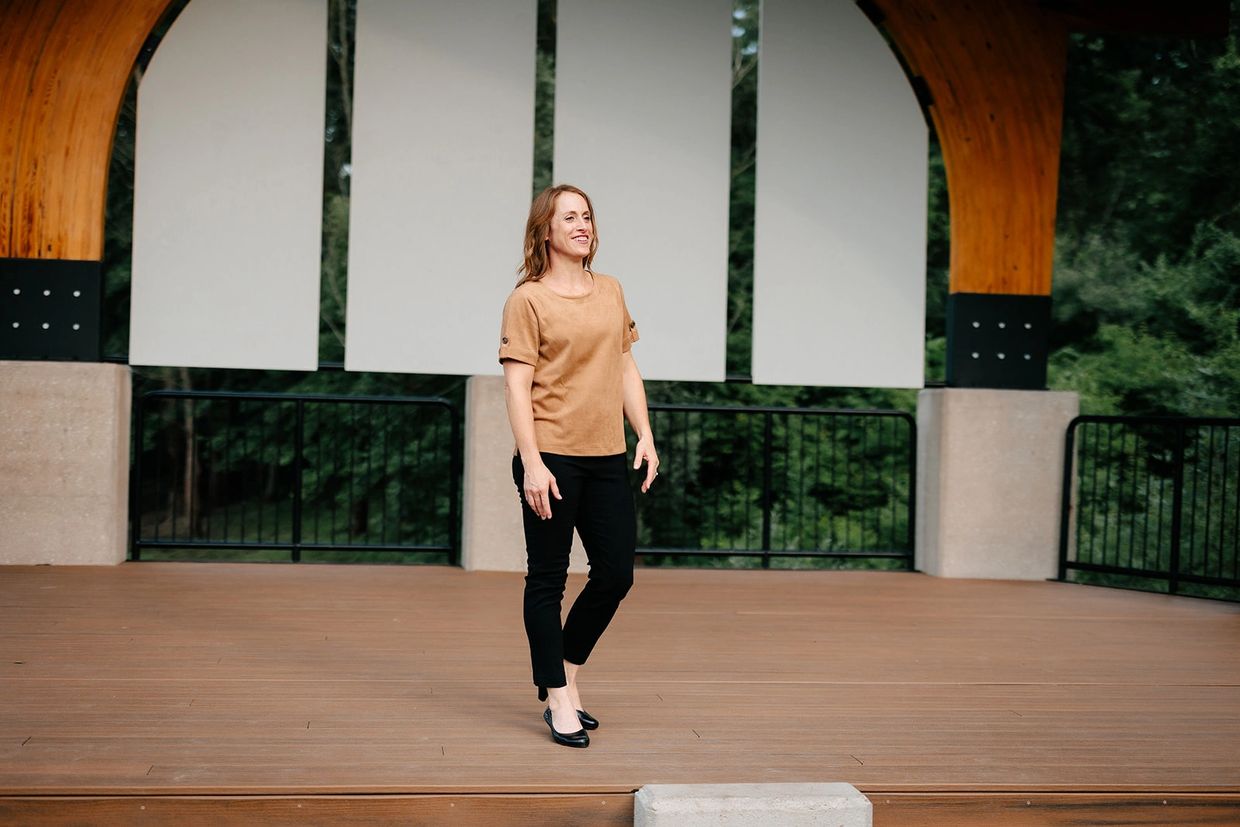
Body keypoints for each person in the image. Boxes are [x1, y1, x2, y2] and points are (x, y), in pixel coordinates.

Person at [498, 184, 658, 748]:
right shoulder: (528, 300)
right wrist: (533, 464)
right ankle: (559, 696)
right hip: (553, 460)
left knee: (616, 575)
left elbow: (625, 365)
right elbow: (517, 387)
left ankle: (564, 671)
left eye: (587, 216)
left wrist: (645, 434)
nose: (582, 225)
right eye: (569, 217)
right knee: (547, 579)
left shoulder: (610, 291)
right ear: (545, 230)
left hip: (607, 457)